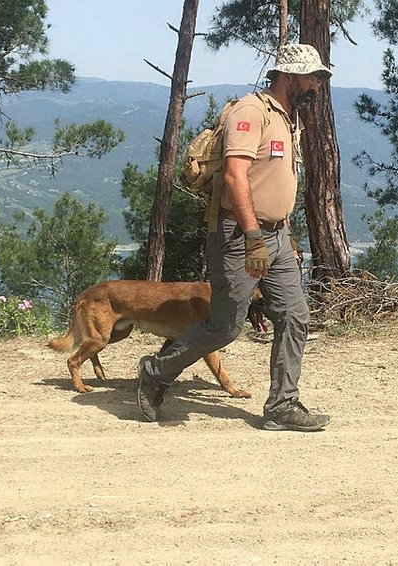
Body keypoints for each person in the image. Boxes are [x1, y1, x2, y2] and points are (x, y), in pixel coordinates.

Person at [137, 44, 332, 432]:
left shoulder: (290, 118)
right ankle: (155, 372)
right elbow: (235, 177)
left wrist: (282, 234)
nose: (316, 85)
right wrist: (254, 236)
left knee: (294, 317)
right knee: (226, 325)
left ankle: (282, 406)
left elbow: (273, 182)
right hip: (242, 235)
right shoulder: (251, 112)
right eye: (312, 78)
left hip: (276, 236)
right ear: (290, 76)